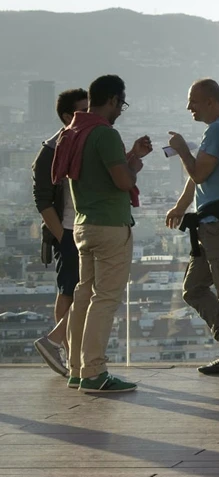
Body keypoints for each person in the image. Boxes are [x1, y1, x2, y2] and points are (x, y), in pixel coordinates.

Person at [54, 74, 152, 393]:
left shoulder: (74, 131)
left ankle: (77, 369)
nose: (120, 110)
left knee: (84, 294)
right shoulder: (104, 133)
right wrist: (132, 164)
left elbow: (106, 173)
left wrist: (132, 157)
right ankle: (95, 371)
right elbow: (122, 181)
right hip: (110, 225)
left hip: (82, 224)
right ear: (111, 99)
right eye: (120, 103)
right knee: (105, 298)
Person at [164, 79, 219, 375]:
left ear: (211, 101)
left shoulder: (218, 130)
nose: (189, 108)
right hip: (210, 225)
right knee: (193, 288)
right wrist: (182, 205)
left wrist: (183, 149)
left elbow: (197, 173)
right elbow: (201, 174)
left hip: (218, 228)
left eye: (193, 102)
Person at [31, 88, 89, 376]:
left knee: (78, 290)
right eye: (83, 110)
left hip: (81, 228)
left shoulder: (82, 142)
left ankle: (69, 350)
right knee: (70, 290)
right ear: (67, 116)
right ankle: (63, 348)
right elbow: (42, 199)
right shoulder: (50, 150)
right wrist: (63, 235)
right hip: (68, 230)